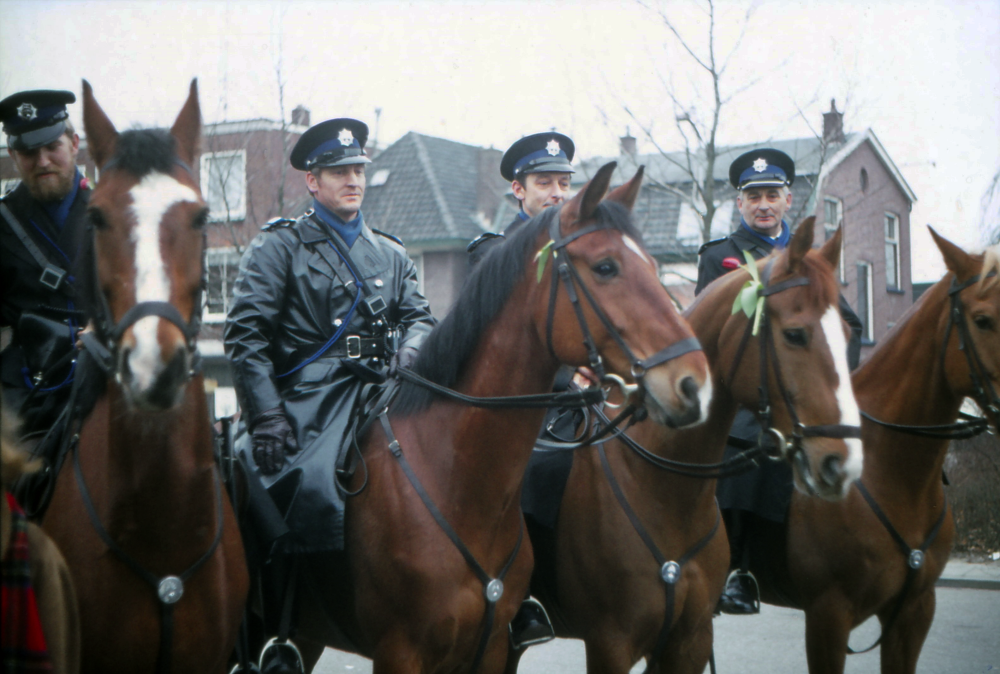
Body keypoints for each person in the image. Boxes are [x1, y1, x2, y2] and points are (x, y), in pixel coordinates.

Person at [224, 118, 435, 668]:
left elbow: (420, 317)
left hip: (382, 389)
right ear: (312, 182)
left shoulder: (388, 252)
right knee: (292, 483)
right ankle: (280, 625)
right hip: (307, 400)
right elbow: (245, 336)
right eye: (340, 171)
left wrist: (411, 351)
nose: (353, 181)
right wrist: (265, 414)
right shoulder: (281, 247)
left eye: (359, 170)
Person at [696, 148, 863, 614]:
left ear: (788, 200)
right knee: (755, 440)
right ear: (740, 203)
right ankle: (741, 568)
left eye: (772, 195)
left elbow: (849, 326)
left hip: (801, 382)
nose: (763, 204)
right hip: (742, 387)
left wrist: (830, 381)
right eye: (754, 196)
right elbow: (707, 327)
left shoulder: (810, 259)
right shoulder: (720, 257)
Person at [0, 89, 91, 448]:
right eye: (28, 152)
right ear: (13, 156)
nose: (42, 161)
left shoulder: (112, 216)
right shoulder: (3, 222)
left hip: (103, 373)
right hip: (26, 389)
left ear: (74, 143)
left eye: (52, 146)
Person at [467, 131, 575, 265]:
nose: (558, 193)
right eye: (544, 183)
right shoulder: (494, 253)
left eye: (564, 184)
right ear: (518, 190)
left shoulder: (579, 246)